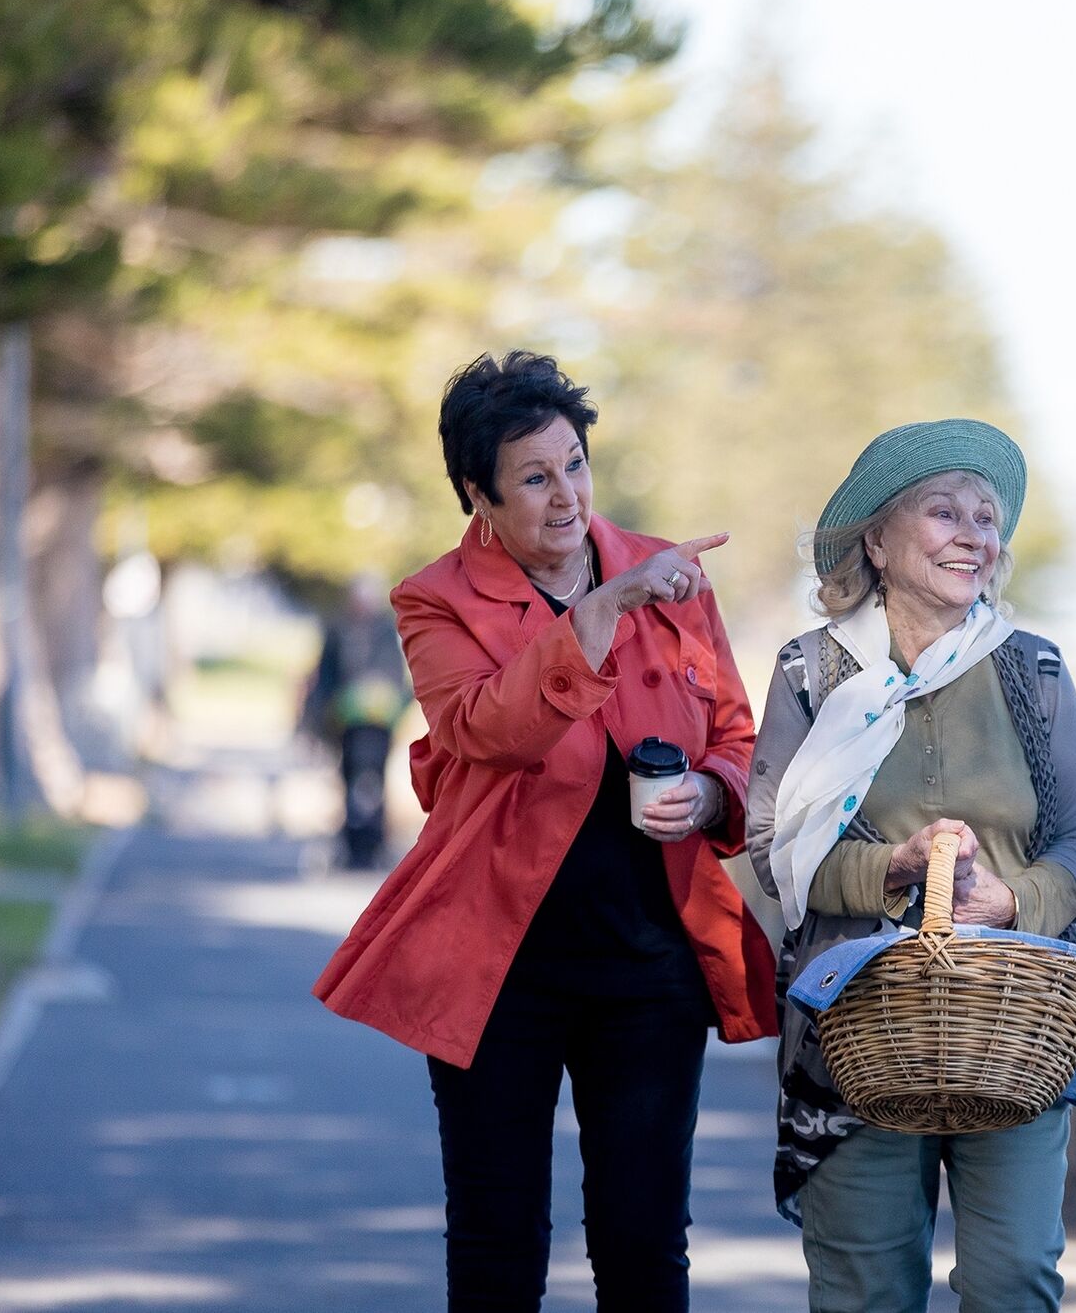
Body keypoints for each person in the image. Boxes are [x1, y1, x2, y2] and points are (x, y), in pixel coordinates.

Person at [312, 351, 776, 1312]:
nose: (565, 495)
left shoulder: (672, 573)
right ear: (478, 495)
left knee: (646, 1242)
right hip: (496, 966)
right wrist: (604, 610)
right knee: (497, 1240)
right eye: (533, 477)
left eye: (575, 464)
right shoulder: (433, 600)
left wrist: (710, 793)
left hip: (651, 964)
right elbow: (481, 727)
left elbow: (738, 736)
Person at [747, 419, 1076, 1313]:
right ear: (876, 539)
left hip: (1016, 1024)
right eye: (943, 513)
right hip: (854, 1027)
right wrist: (893, 871)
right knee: (866, 1288)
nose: (972, 536)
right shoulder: (811, 672)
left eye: (985, 520)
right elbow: (771, 846)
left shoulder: (1037, 672)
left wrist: (1011, 900)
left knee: (1015, 1277)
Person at [302, 572, 411, 869]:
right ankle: (351, 844)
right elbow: (325, 675)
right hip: (346, 723)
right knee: (349, 780)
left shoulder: (385, 631)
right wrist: (319, 716)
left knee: (373, 782)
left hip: (377, 724)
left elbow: (395, 676)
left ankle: (374, 842)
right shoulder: (339, 630)